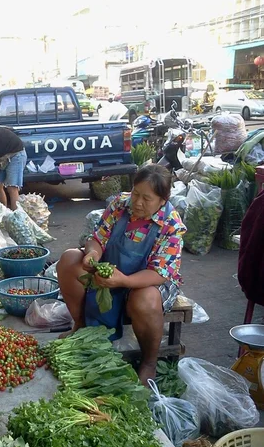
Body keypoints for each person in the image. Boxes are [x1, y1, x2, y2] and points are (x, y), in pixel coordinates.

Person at [57, 164, 186, 386]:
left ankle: (148, 362)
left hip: (149, 280)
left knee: (145, 299)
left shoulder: (171, 225)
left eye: (147, 198)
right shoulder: (119, 204)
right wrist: (92, 254)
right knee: (69, 259)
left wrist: (124, 281)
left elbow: (160, 273)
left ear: (163, 200)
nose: (137, 202)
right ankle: (81, 326)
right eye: (136, 193)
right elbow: (97, 238)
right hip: (111, 270)